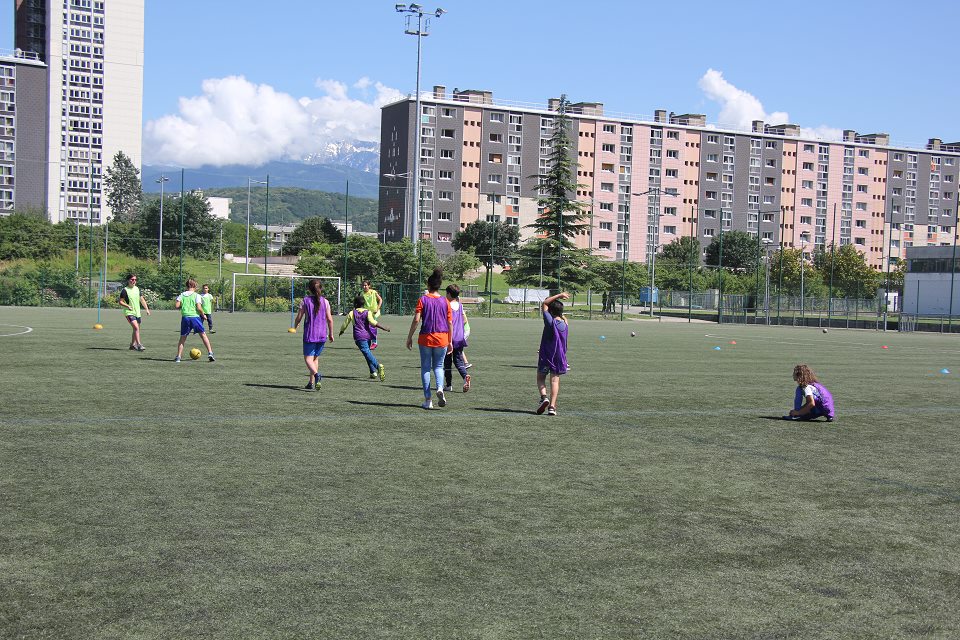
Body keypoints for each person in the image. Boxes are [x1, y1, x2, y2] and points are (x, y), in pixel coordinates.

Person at [406, 268, 453, 410]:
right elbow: (450, 323)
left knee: (426, 368)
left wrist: (409, 337)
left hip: (426, 337)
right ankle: (440, 387)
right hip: (442, 337)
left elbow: (416, 320)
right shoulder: (445, 301)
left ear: (428, 285)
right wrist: (450, 341)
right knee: (438, 366)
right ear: (439, 286)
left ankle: (428, 400)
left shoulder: (423, 299)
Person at [293, 279, 334, 390]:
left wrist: (295, 325)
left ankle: (317, 375)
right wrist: (331, 334)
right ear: (320, 288)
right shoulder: (325, 301)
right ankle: (311, 383)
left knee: (308, 359)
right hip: (322, 334)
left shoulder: (305, 301)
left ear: (309, 289)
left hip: (310, 334)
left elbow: (299, 317)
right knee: (315, 359)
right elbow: (330, 319)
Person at [340, 293, 390, 381]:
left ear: (355, 304)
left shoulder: (352, 313)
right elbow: (373, 322)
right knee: (367, 353)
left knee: (366, 352)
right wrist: (383, 327)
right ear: (363, 304)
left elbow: (345, 323)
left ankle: (378, 367)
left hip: (359, 336)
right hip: (368, 335)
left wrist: (342, 330)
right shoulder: (368, 312)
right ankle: (372, 372)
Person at [536, 291, 570, 416]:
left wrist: (559, 295)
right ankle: (552, 407)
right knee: (555, 381)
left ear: (550, 311)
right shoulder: (565, 324)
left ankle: (544, 397)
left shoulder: (550, 322)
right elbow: (561, 316)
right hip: (559, 356)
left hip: (546, 355)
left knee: (540, 378)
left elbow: (545, 303)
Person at [174, 278, 215, 362]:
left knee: (182, 338)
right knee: (203, 335)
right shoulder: (197, 295)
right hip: (195, 317)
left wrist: (184, 304)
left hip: (185, 318)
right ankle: (210, 353)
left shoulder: (182, 295)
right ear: (194, 286)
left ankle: (178, 357)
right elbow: (199, 308)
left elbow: (177, 305)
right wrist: (203, 315)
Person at [443, 284, 471, 393]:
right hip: (459, 337)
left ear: (449, 294)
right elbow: (464, 321)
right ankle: (465, 377)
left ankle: (449, 385)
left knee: (447, 362)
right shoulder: (460, 305)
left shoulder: (446, 305)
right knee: (458, 361)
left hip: (449, 337)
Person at [118, 273, 150, 351]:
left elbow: (142, 299)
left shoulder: (137, 289)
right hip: (129, 312)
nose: (134, 281)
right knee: (136, 327)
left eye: (135, 279)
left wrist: (147, 309)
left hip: (137, 312)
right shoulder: (125, 290)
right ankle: (139, 345)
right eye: (132, 279)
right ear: (128, 280)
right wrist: (127, 306)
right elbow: (120, 302)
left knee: (136, 329)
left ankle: (132, 345)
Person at [361, 280, 383, 349]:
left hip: (374, 313)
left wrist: (377, 308)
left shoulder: (373, 292)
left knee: (372, 326)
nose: (364, 287)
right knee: (366, 327)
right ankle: (368, 341)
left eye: (365, 285)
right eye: (363, 285)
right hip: (366, 313)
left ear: (369, 286)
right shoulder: (362, 293)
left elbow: (380, 300)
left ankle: (374, 342)